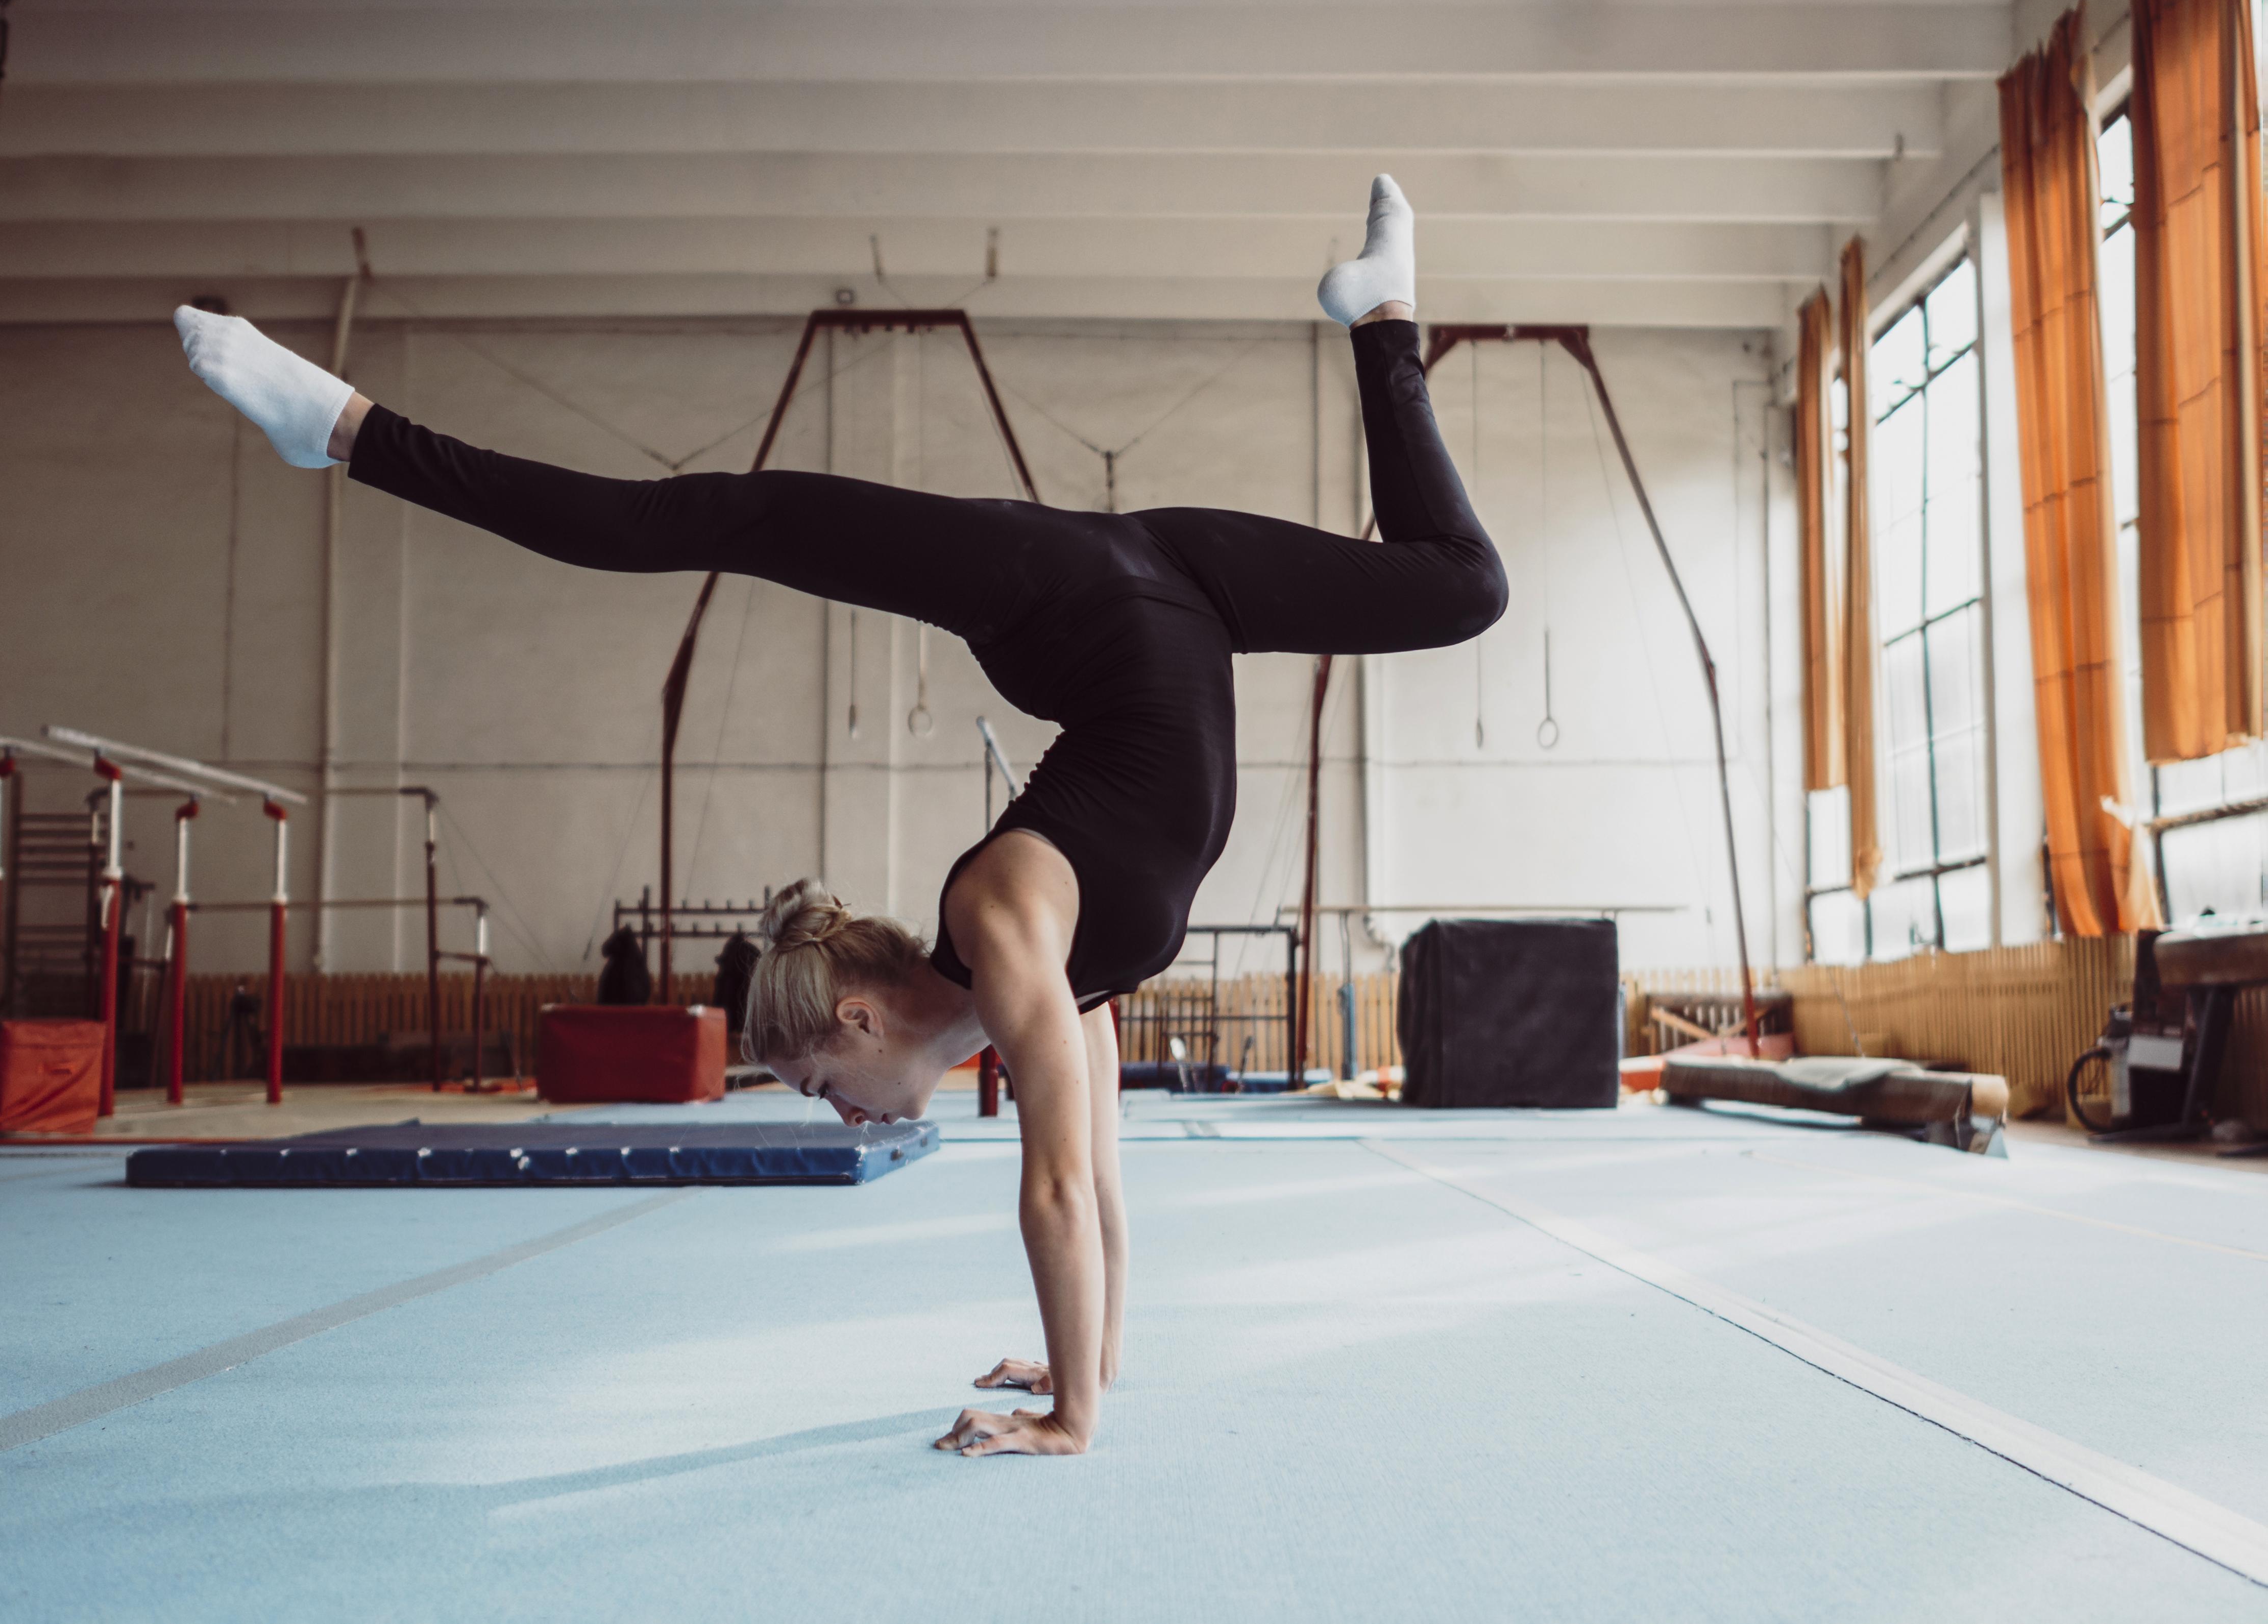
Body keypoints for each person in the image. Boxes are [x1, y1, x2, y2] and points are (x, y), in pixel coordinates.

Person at [173, 175, 1504, 1459]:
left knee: (716, 514)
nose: (842, 1116)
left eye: (819, 1086)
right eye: (821, 1096)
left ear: (856, 1019)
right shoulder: (1043, 970)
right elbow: (1093, 1182)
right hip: (1181, 591)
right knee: (1458, 590)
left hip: (1058, 588)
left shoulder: (1002, 921)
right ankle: (1386, 321)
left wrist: (1068, 1423)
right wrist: (1080, 1373)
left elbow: (1049, 1188)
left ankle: (341, 428)